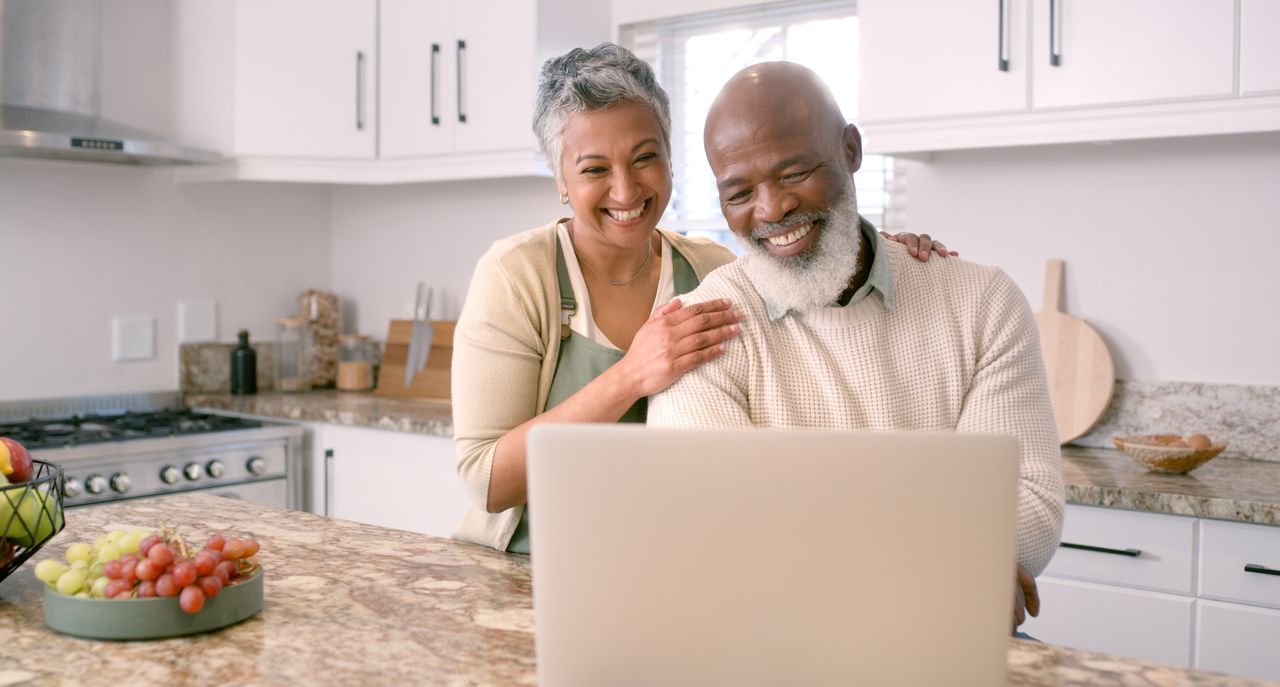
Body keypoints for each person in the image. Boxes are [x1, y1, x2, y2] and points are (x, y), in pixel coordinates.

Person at [450, 44, 958, 554]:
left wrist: (887, 251)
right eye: (594, 169)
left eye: (645, 158)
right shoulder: (517, 274)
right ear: (561, 179)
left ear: (671, 157)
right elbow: (486, 481)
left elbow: (814, 270)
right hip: (527, 565)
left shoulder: (712, 271)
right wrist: (631, 376)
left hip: (663, 568)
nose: (625, 190)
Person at [647, 61, 1064, 635]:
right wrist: (949, 559)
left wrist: (814, 534)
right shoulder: (701, 327)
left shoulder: (982, 301)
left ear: (851, 150)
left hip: (943, 642)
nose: (771, 210)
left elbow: (1031, 507)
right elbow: (718, 525)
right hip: (771, 642)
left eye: (793, 173)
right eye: (739, 192)